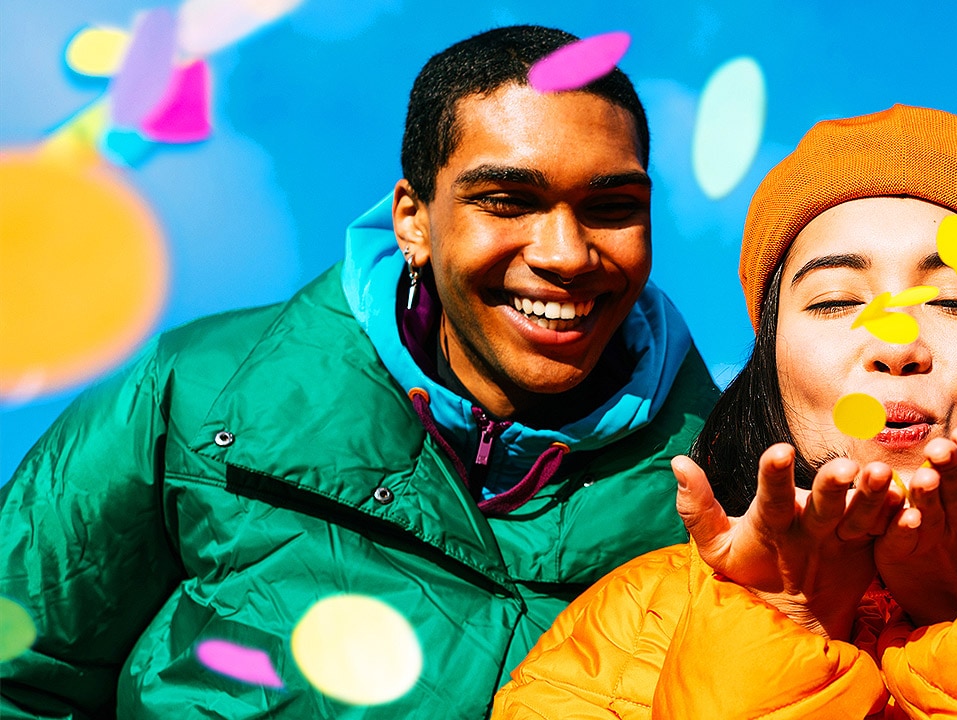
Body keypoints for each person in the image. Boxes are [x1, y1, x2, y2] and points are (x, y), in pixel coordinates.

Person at [0, 25, 718, 718]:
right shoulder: (196, 393)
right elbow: (19, 676)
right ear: (413, 220)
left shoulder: (732, 488)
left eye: (612, 207)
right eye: (507, 201)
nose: (565, 254)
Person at [491, 104, 957, 719]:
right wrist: (778, 628)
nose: (896, 346)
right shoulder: (618, 634)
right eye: (834, 301)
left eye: (956, 302)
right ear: (770, 370)